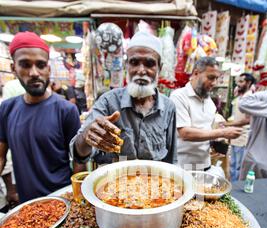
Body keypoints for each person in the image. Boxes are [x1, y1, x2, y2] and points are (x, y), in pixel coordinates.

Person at [71, 31, 177, 166]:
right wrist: (87, 136)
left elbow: (171, 159)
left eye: (149, 64)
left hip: (155, 184)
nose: (141, 70)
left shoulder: (168, 107)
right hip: (114, 182)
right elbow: (79, 153)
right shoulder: (108, 102)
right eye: (134, 62)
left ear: (159, 68)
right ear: (127, 66)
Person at [0, 32, 82, 203]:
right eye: (25, 65)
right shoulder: (7, 110)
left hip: (62, 202)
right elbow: (1, 156)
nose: (34, 73)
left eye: (40, 65)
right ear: (14, 68)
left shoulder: (66, 110)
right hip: (27, 207)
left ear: (48, 69)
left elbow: (78, 162)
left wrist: (77, 202)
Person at [169, 57, 243, 171]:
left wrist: (218, 140)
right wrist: (222, 132)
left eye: (216, 79)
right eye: (211, 78)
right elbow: (185, 133)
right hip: (183, 165)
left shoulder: (209, 102)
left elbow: (208, 130)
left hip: (204, 164)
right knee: (186, 189)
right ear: (196, 73)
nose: (214, 83)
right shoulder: (179, 97)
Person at [225, 73, 256, 181]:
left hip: (243, 136)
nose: (238, 84)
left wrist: (228, 124)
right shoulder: (240, 96)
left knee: (238, 167)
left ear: (248, 83)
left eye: (241, 82)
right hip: (235, 136)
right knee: (233, 165)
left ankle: (235, 191)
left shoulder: (250, 97)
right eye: (238, 81)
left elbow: (248, 119)